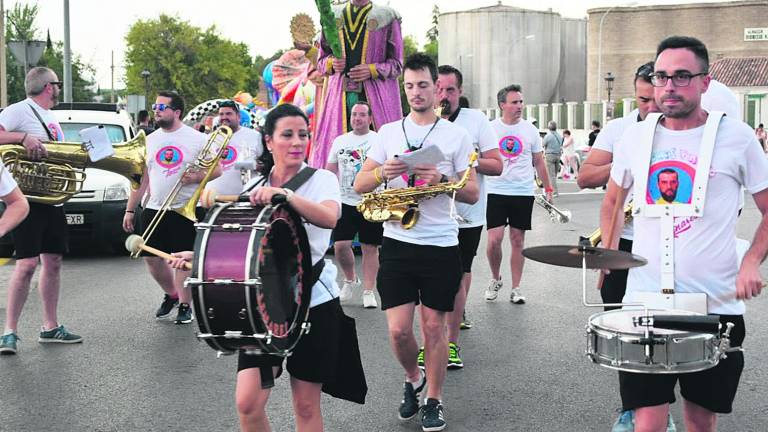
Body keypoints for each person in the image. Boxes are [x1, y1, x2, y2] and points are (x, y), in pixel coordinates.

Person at [601, 36, 768, 432]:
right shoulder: (635, 138)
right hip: (644, 303)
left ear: (705, 83)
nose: (669, 86)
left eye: (681, 76)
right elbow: (611, 201)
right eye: (662, 77)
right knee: (647, 421)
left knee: (699, 420)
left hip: (714, 306)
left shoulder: (739, 138)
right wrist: (606, 256)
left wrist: (750, 261)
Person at [169, 104, 349, 432]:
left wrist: (285, 196)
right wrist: (197, 258)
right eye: (287, 135)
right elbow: (245, 248)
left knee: (306, 405)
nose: (297, 142)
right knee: (247, 403)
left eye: (303, 135)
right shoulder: (254, 187)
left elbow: (330, 217)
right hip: (263, 305)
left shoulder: (321, 179)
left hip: (314, 302)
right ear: (269, 141)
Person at [354, 53, 478, 432]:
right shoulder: (388, 132)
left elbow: (472, 192)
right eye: (409, 86)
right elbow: (359, 185)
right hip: (398, 241)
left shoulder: (456, 135)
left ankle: (434, 399)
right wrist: (380, 171)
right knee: (398, 331)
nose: (416, 92)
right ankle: (413, 377)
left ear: (437, 89)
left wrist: (441, 174)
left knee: (434, 329)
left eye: (423, 85)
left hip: (441, 244)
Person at [420, 64, 501, 371]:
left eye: (450, 90)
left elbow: (497, 165)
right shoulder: (421, 122)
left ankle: (450, 344)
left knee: (457, 276)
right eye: (438, 89)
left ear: (460, 92)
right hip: (429, 213)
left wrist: (468, 158)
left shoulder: (476, 121)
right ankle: (431, 340)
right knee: (427, 280)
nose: (443, 96)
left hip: (467, 212)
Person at [0, 67, 83, 355]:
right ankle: (9, 332)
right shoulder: (19, 110)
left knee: (54, 262)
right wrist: (22, 138)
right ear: (50, 86)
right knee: (26, 265)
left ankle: (50, 326)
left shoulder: (49, 116)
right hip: (29, 200)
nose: (59, 89)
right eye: (57, 84)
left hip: (52, 201)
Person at [122, 90, 218, 325]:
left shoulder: (197, 138)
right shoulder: (149, 140)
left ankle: (186, 305)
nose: (156, 111)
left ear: (176, 112)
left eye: (162, 107)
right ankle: (172, 294)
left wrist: (196, 177)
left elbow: (218, 170)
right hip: (154, 208)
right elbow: (141, 179)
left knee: (181, 260)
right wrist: (130, 209)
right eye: (155, 107)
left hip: (184, 208)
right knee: (151, 258)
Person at [310, 0, 404, 169]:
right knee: (336, 157)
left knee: (383, 154)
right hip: (339, 102)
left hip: (376, 101)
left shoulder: (387, 16)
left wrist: (373, 69)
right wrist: (332, 63)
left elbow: (397, 64)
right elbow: (321, 61)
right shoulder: (332, 15)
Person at [484, 84, 553, 305]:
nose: (519, 106)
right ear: (502, 105)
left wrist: (548, 188)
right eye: (514, 102)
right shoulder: (490, 128)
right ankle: (496, 279)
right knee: (494, 240)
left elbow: (539, 161)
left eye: (521, 102)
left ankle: (516, 288)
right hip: (495, 190)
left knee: (517, 240)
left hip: (522, 191)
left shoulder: (530, 130)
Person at [325, 101, 382, 308]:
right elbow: (330, 170)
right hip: (346, 201)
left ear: (369, 118)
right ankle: (350, 280)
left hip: (372, 201)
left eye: (361, 115)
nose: (357, 118)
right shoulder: (340, 141)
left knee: (370, 247)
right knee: (340, 246)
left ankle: (368, 290)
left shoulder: (379, 140)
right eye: (354, 114)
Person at [205, 100, 263, 196]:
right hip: (213, 199)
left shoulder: (255, 136)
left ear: (238, 117)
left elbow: (266, 165)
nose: (224, 117)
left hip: (245, 198)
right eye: (221, 114)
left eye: (228, 114)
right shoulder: (210, 138)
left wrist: (255, 165)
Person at [543, 120, 563, 196]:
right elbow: (561, 144)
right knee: (554, 175)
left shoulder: (548, 136)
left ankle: (554, 192)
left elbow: (543, 144)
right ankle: (553, 190)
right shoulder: (559, 136)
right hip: (558, 155)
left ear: (549, 127)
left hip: (550, 155)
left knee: (551, 176)